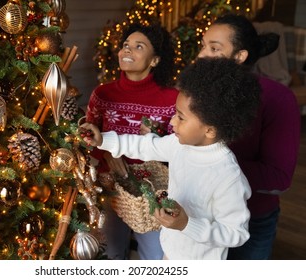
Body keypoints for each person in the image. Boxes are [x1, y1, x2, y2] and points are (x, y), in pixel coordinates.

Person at [81, 57, 261, 260]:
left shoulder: (228, 177)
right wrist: (103, 140)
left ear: (210, 129)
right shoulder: (179, 144)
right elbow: (144, 145)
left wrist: (186, 224)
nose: (173, 121)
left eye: (181, 117)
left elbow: (236, 234)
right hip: (170, 253)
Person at [197, 14, 301, 259]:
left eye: (214, 48)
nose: (201, 55)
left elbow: (279, 179)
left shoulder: (277, 98)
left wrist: (209, 166)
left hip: (249, 219)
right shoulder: (195, 94)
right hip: (195, 216)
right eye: (203, 46)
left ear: (240, 56)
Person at [85, 23, 178, 260]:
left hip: (151, 193)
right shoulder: (102, 94)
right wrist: (101, 166)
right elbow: (89, 142)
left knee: (156, 257)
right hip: (110, 189)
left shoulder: (172, 99)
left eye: (139, 47)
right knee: (111, 254)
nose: (128, 50)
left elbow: (178, 148)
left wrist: (154, 140)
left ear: (155, 60)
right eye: (126, 45)